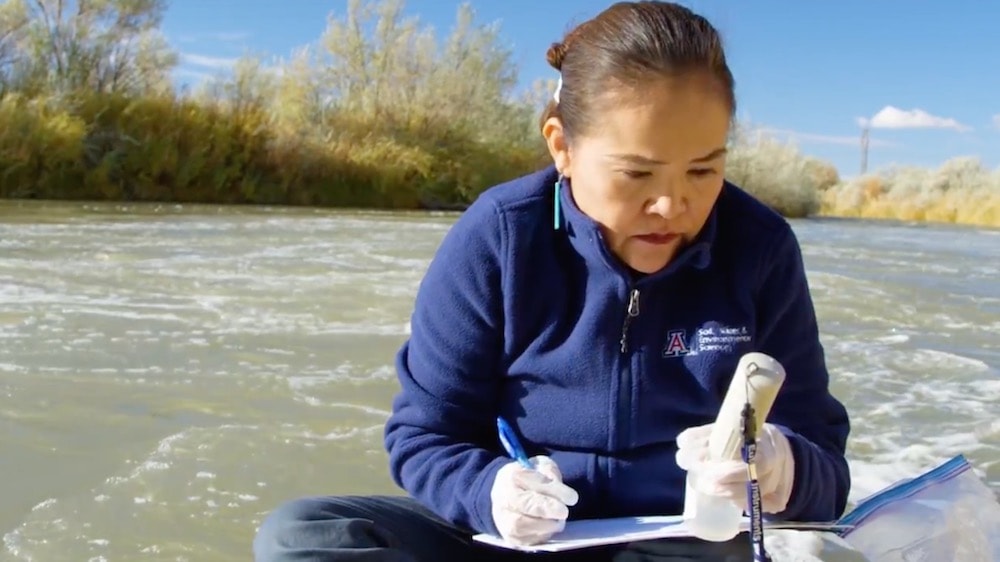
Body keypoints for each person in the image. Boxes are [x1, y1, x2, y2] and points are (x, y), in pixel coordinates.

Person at [252, 1, 852, 561]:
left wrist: (782, 467)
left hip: (687, 542)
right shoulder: (500, 236)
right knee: (303, 534)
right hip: (518, 541)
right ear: (562, 147)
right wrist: (489, 491)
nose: (671, 204)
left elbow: (825, 468)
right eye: (636, 172)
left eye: (704, 169)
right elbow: (423, 436)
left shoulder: (761, 247)